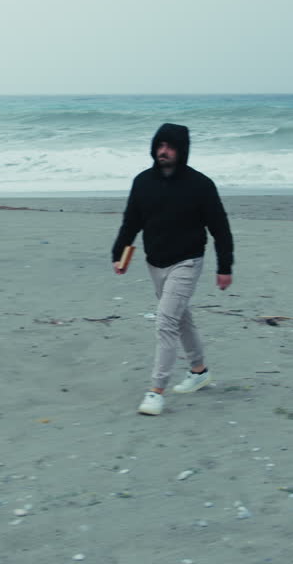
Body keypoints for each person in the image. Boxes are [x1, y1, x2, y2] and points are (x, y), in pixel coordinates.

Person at [112, 123, 234, 416]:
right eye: (160, 146)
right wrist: (119, 253)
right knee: (180, 319)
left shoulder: (200, 185)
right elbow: (131, 222)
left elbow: (221, 229)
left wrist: (224, 266)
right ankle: (199, 370)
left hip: (187, 261)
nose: (163, 151)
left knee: (165, 322)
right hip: (155, 263)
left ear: (182, 150)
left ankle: (156, 391)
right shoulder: (142, 182)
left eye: (170, 146)